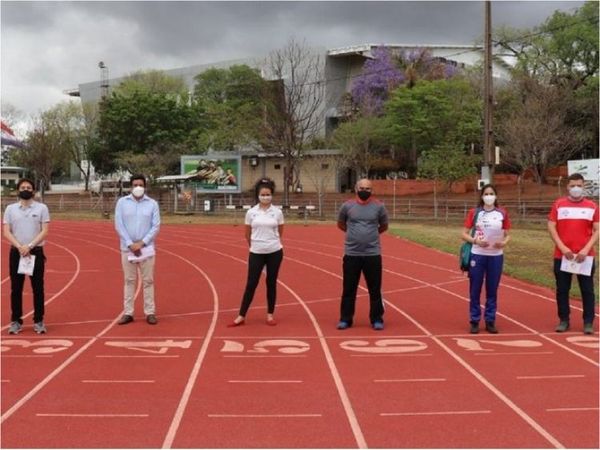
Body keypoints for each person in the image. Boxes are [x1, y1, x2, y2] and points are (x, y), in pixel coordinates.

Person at [548, 173, 598, 335]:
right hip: (563, 255)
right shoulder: (559, 204)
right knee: (562, 289)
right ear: (567, 187)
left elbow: (597, 230)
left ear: (584, 186)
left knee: (587, 290)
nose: (576, 188)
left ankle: (588, 322)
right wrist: (563, 248)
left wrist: (585, 249)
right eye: (572, 185)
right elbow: (551, 227)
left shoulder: (592, 206)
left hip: (585, 256)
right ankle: (564, 320)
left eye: (579, 185)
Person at [229, 178, 284, 327]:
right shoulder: (251, 212)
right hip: (256, 252)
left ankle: (270, 315)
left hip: (274, 252)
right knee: (251, 283)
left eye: (268, 194)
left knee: (271, 283)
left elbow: (280, 232)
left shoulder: (277, 212)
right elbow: (247, 234)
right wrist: (256, 245)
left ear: (272, 195)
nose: (265, 197)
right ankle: (241, 315)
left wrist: (270, 243)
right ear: (258, 195)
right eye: (263, 194)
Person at [337, 178, 389, 330]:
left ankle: (377, 318)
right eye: (362, 188)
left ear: (372, 190)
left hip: (372, 253)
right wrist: (354, 235)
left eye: (368, 188)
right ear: (356, 188)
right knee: (348, 288)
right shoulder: (347, 206)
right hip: (352, 253)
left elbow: (384, 226)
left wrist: (370, 235)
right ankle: (346, 319)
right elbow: (341, 224)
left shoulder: (379, 207)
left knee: (375, 288)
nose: (364, 191)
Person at [461, 184, 511, 334]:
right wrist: (475, 241)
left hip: (495, 256)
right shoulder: (475, 212)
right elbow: (463, 233)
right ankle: (474, 320)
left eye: (491, 194)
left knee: (492, 289)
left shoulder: (502, 213)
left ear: (496, 196)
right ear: (482, 196)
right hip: (478, 254)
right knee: (475, 288)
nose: (489, 196)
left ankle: (490, 320)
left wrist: (504, 243)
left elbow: (508, 234)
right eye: (486, 194)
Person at [3, 178, 50, 334]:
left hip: (35, 252)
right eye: (22, 187)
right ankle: (16, 321)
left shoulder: (42, 208)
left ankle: (39, 321)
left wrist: (29, 246)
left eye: (29, 187)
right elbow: (6, 231)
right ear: (18, 190)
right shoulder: (10, 209)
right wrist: (20, 247)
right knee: (16, 289)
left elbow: (44, 231)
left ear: (34, 191)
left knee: (38, 288)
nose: (26, 189)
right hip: (16, 253)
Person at [114, 174, 161, 325]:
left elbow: (156, 226)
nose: (138, 187)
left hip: (146, 249)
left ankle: (150, 312)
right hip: (127, 249)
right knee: (129, 281)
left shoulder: (152, 204)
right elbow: (119, 224)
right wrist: (130, 243)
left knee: (148, 281)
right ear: (131, 186)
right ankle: (128, 312)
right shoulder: (122, 203)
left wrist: (142, 243)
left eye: (140, 185)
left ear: (145, 186)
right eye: (135, 185)